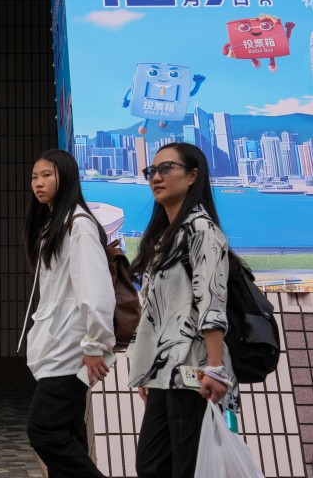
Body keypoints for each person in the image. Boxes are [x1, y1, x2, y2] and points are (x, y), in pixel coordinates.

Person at [126, 142, 238, 478]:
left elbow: (212, 302)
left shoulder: (202, 230)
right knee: (153, 466)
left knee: (185, 467)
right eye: (151, 171)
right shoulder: (163, 237)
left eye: (165, 169)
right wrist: (149, 368)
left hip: (194, 370)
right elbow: (155, 312)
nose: (155, 178)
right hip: (165, 373)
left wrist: (216, 368)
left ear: (192, 176)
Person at [21, 149, 116, 478]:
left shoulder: (79, 225)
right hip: (57, 348)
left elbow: (96, 289)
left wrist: (94, 345)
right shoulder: (55, 224)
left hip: (70, 351)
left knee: (44, 430)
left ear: (67, 177)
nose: (38, 182)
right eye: (34, 176)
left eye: (47, 175)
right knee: (68, 434)